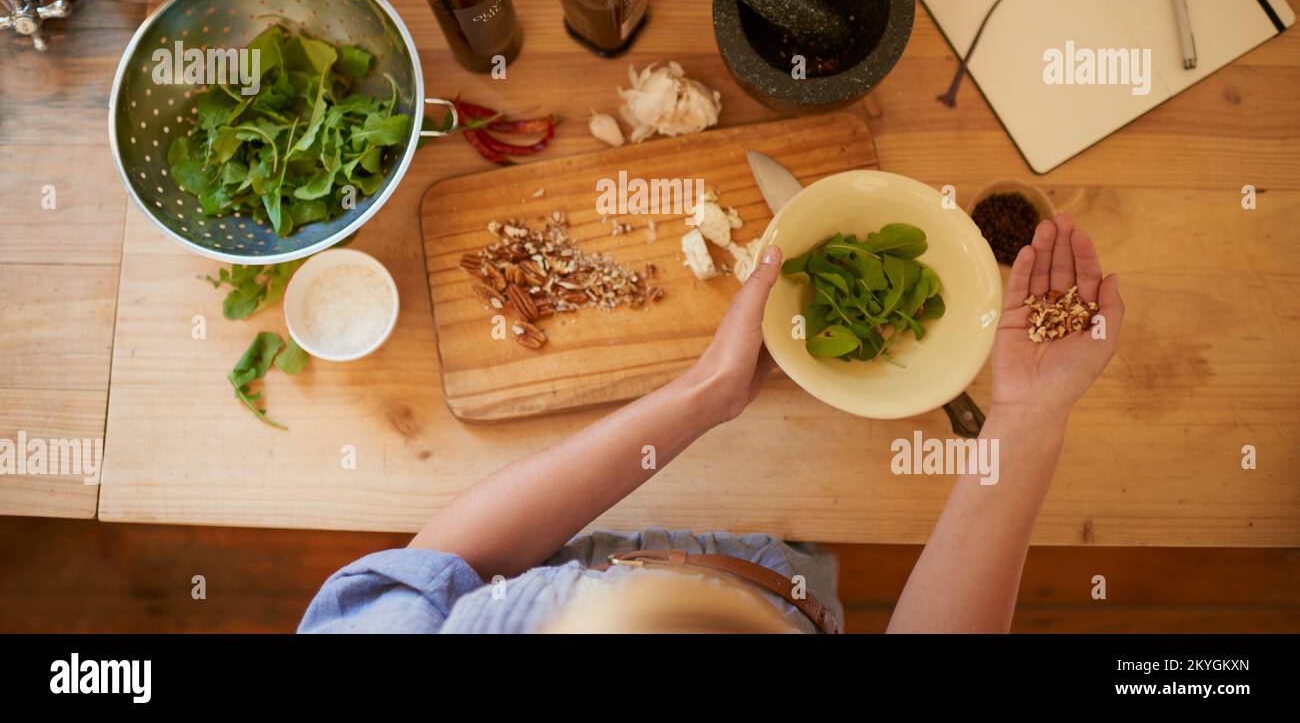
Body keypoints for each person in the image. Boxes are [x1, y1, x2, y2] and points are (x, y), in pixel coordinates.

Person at [299, 213, 1122, 633]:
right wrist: (1027, 418)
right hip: (790, 586)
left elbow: (443, 564)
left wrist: (706, 392)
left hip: (590, 546)